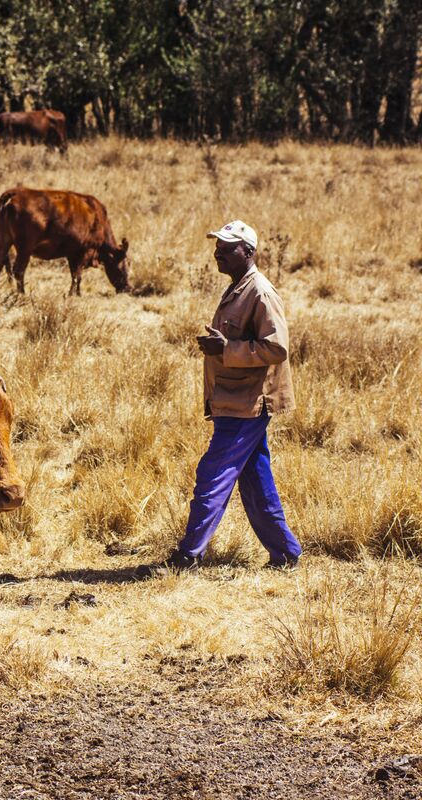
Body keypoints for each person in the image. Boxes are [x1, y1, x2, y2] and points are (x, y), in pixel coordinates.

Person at [146, 220, 302, 574]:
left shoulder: (260, 292)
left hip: (247, 404)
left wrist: (225, 348)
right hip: (233, 400)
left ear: (248, 252)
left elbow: (277, 348)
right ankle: (287, 553)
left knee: (212, 474)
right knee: (256, 481)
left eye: (227, 246)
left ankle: (189, 555)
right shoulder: (238, 288)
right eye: (217, 244)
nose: (218, 251)